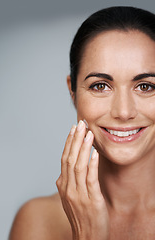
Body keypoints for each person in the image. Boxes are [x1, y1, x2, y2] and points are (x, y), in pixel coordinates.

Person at [9, 6, 155, 240]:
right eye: (100, 86)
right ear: (73, 91)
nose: (124, 111)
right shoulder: (37, 221)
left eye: (146, 86)